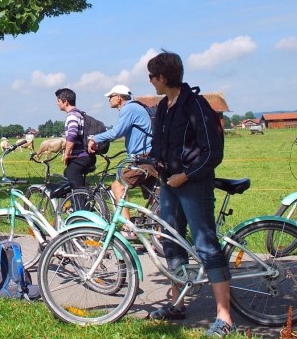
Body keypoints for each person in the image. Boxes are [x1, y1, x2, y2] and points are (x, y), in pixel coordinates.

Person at [145, 50, 234, 338]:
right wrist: (151, 161)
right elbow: (160, 144)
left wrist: (187, 175)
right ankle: (177, 304)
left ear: (163, 76)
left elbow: (213, 152)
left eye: (152, 76)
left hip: (193, 185)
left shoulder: (196, 105)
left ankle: (224, 317)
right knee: (172, 243)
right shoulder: (163, 107)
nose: (150, 81)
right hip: (168, 184)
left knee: (206, 245)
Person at [88, 84, 155, 236]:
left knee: (118, 186)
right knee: (154, 195)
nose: (109, 100)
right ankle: (158, 233)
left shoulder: (129, 108)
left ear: (119, 97)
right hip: (149, 156)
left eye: (110, 97)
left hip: (143, 158)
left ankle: (127, 228)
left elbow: (117, 132)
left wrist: (95, 138)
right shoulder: (136, 108)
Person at [54, 88, 96, 189]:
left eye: (58, 101)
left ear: (66, 102)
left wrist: (66, 154)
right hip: (87, 155)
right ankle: (81, 199)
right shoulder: (79, 114)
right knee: (68, 174)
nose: (57, 103)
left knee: (72, 174)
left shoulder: (72, 116)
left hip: (81, 156)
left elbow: (72, 135)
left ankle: (79, 202)